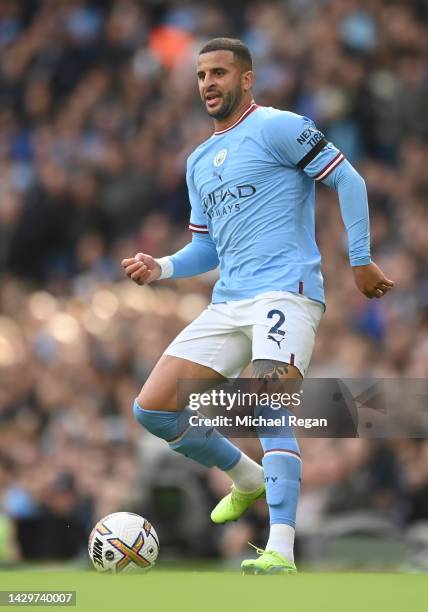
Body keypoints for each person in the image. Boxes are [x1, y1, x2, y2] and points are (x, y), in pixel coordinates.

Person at [121, 38, 394, 574]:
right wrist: (163, 267)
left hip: (285, 293)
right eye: (201, 76)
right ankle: (245, 475)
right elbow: (207, 247)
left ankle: (281, 550)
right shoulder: (198, 161)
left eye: (219, 73)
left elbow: (348, 178)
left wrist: (360, 258)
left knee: (264, 402)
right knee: (152, 409)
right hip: (229, 301)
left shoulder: (277, 126)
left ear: (247, 79)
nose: (208, 84)